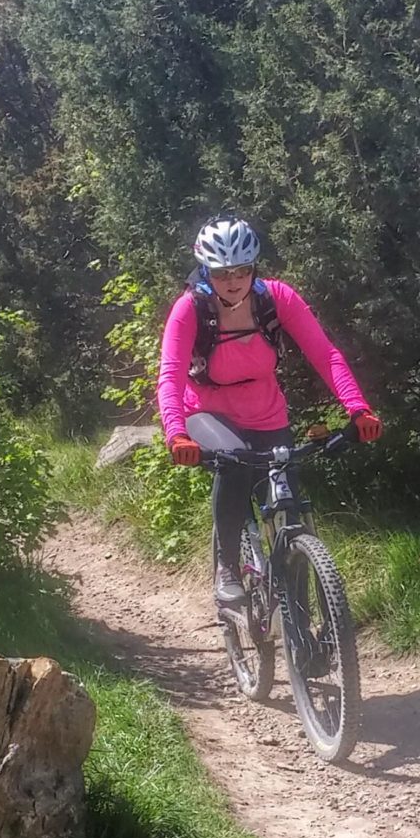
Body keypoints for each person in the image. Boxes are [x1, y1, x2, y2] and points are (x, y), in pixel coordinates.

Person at [158, 217, 382, 607]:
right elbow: (172, 375)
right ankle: (228, 565)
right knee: (234, 465)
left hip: (267, 414)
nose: (233, 280)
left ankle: (298, 614)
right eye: (222, 272)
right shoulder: (189, 309)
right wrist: (176, 433)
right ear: (207, 271)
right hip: (208, 414)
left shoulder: (276, 298)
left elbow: (325, 354)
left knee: (286, 505)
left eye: (242, 270)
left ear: (254, 267)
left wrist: (358, 408)